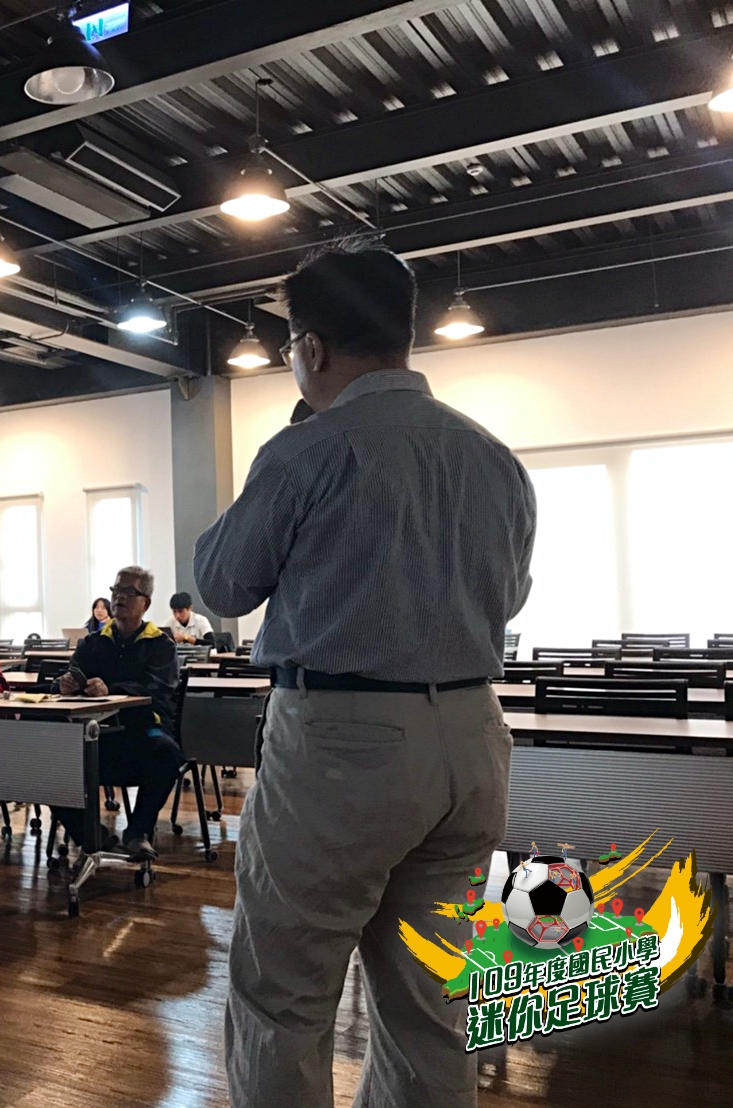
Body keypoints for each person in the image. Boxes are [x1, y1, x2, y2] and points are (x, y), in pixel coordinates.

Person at [193, 243, 536, 1108]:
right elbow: (509, 596)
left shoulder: (308, 450)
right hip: (472, 736)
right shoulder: (493, 455)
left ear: (310, 348)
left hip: (343, 743)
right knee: (433, 1003)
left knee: (284, 998)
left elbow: (224, 584)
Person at [50, 566, 181, 862]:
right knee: (47, 758)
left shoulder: (161, 644)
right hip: (95, 732)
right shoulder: (93, 642)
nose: (119, 597)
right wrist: (65, 683)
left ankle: (137, 832)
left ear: (145, 602)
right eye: (116, 591)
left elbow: (158, 687)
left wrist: (111, 689)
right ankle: (92, 836)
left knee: (167, 753)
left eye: (129, 592)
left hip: (141, 729)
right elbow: (72, 672)